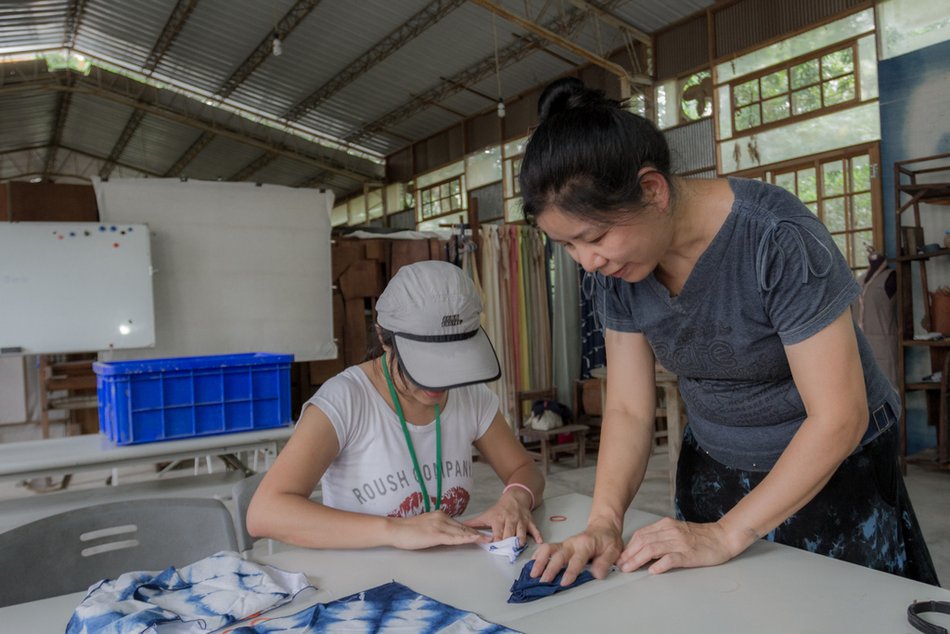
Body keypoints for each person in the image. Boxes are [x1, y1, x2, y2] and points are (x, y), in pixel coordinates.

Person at [518, 77, 939, 586]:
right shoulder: (616, 272)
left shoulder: (775, 239)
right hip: (715, 460)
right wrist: (605, 523)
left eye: (595, 237)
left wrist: (726, 534)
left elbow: (838, 417)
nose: (587, 261)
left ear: (652, 190)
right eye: (568, 246)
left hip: (831, 466)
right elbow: (629, 407)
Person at [246, 260, 544, 551]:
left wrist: (516, 498)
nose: (440, 383)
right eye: (426, 365)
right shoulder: (345, 400)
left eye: (453, 360)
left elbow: (523, 468)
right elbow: (265, 513)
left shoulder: (470, 395)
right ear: (384, 338)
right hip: (364, 581)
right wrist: (395, 531)